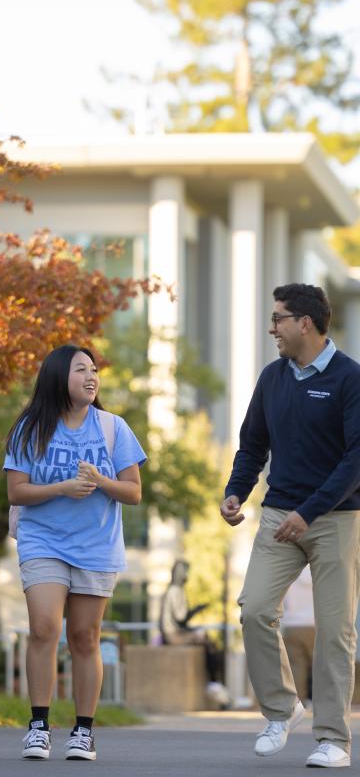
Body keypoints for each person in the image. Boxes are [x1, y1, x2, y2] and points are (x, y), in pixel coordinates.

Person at [220, 283, 360, 769]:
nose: (271, 328)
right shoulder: (273, 377)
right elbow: (253, 443)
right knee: (255, 608)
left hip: (337, 517)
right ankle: (282, 710)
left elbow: (355, 461)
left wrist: (313, 510)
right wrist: (237, 490)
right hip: (280, 512)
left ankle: (334, 740)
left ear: (305, 322)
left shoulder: (349, 378)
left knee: (335, 629)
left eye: (278, 318)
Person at [4, 344, 146, 761]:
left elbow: (134, 492)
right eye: (81, 369)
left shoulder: (113, 427)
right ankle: (38, 726)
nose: (92, 376)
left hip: (96, 545)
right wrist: (63, 488)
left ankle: (83, 731)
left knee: (84, 637)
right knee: (45, 627)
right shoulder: (29, 428)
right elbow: (16, 491)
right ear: (57, 377)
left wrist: (101, 481)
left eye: (94, 369)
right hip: (43, 540)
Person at [159, 559, 228, 707]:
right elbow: (180, 619)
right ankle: (214, 683)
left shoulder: (177, 590)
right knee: (207, 642)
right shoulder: (174, 591)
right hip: (172, 636)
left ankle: (215, 683)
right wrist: (197, 610)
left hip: (176, 632)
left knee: (208, 642)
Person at [282, 566, 315, 706]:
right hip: (316, 622)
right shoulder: (317, 567)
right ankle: (321, 703)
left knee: (296, 667)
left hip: (292, 624)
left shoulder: (289, 568)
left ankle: (297, 704)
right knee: (321, 666)